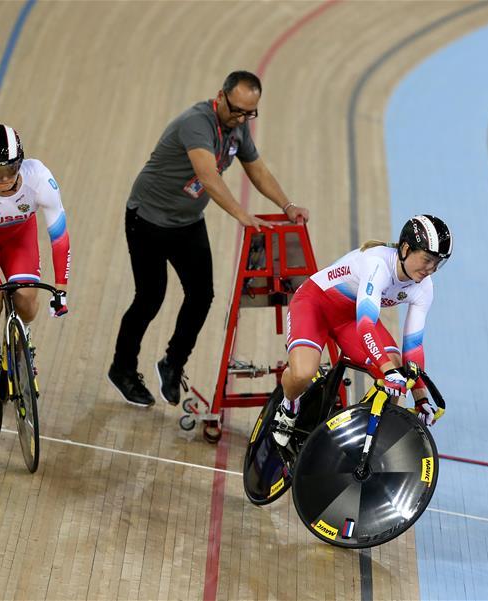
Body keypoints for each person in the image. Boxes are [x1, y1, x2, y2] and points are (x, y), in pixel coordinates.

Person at [108, 70, 310, 408]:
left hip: (187, 222)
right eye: (237, 110)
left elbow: (257, 169)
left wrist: (287, 205)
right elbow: (207, 175)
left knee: (202, 295)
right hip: (148, 220)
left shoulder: (237, 128)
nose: (242, 118)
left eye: (250, 112)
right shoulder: (196, 123)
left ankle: (173, 364)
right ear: (220, 96)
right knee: (150, 297)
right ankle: (122, 368)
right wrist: (241, 213)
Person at [273, 215, 453, 446]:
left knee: (398, 381)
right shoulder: (377, 264)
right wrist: (388, 372)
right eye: (428, 259)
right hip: (315, 304)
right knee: (302, 374)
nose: (431, 269)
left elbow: (413, 347)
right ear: (406, 248)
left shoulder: (424, 287)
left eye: (438, 263)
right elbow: (366, 325)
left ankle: (364, 442)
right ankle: (289, 405)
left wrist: (420, 397)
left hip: (349, 317)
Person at [0, 124, 70, 424]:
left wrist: (61, 290)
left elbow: (59, 236)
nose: (4, 179)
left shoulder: (40, 179)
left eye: (10, 170)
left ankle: (22, 337)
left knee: (27, 301)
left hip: (20, 240)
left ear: (22, 163)